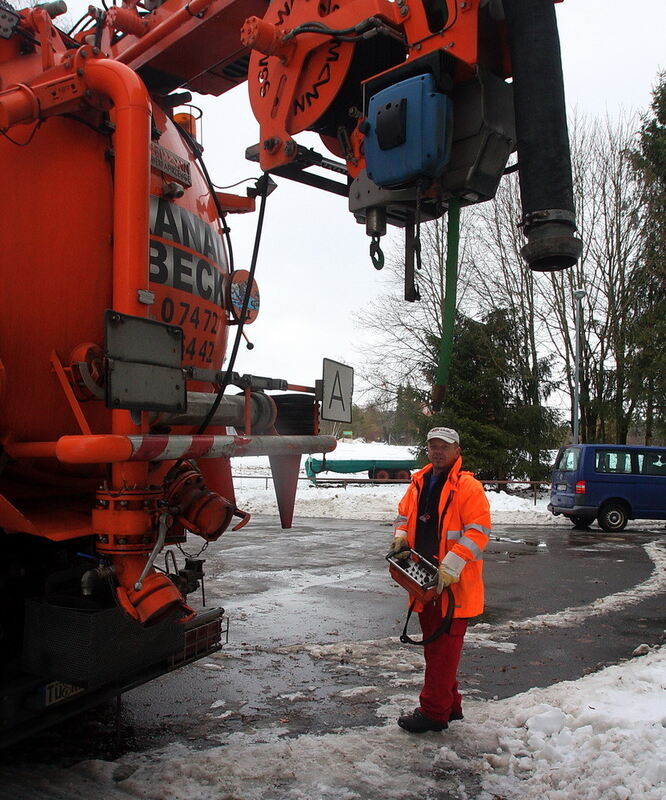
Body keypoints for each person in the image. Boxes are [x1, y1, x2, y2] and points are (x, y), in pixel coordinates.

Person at [389, 426, 491, 733]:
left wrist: (451, 566)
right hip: (424, 581)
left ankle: (434, 712)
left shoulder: (468, 487)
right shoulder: (420, 481)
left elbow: (478, 533)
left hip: (453, 586)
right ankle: (451, 704)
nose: (438, 451)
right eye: (433, 446)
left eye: (444, 447)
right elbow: (403, 515)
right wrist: (401, 536)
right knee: (439, 650)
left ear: (457, 451)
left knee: (441, 651)